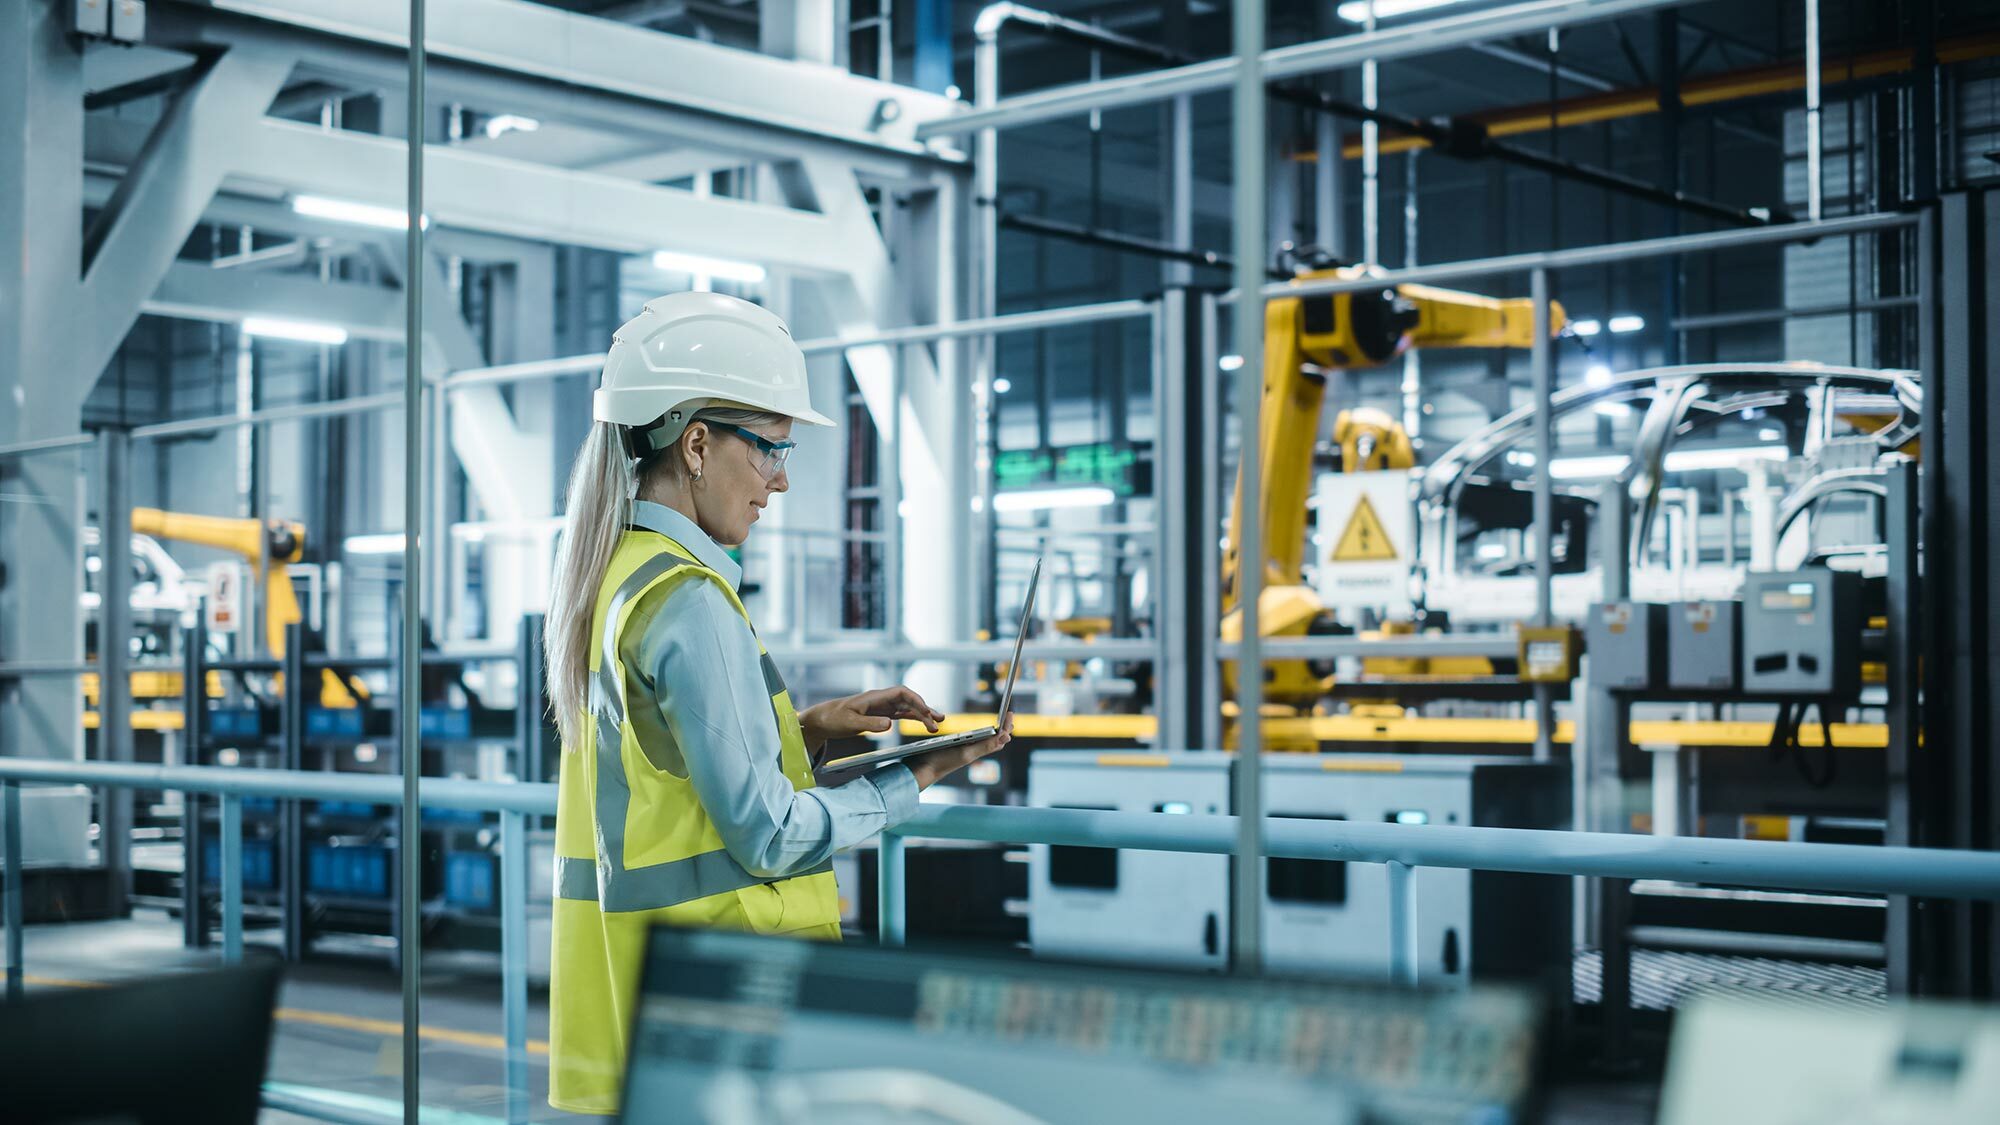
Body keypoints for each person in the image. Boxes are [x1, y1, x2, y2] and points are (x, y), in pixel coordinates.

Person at [543, 292, 1010, 1115]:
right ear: (695, 445)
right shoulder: (690, 599)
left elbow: (666, 765)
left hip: (638, 985)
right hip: (726, 994)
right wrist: (917, 776)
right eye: (769, 448)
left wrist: (808, 732)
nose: (782, 479)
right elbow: (766, 834)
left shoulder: (615, 575)